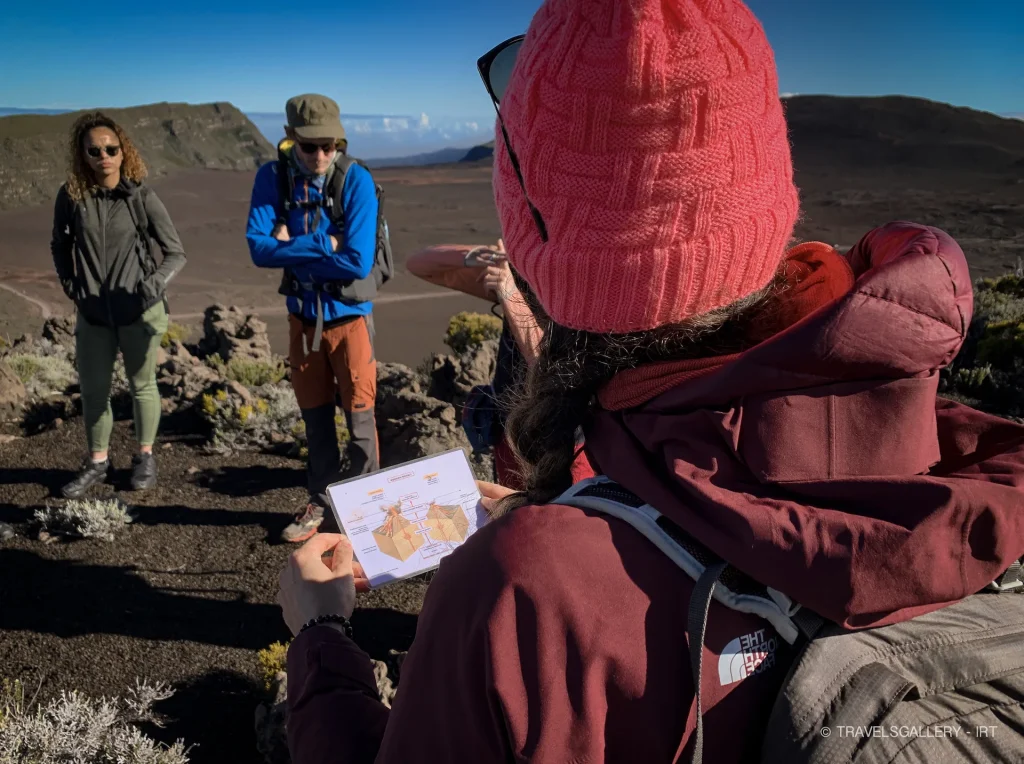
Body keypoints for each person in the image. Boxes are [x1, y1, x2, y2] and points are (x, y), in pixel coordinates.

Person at [276, 1, 1024, 762]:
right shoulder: (952, 448)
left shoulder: (520, 593)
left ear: (540, 236)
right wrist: (556, 512)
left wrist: (320, 638)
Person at [245, 94, 381, 543]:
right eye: (309, 147)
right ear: (289, 140)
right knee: (316, 419)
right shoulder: (273, 178)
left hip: (349, 321)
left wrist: (290, 246)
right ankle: (321, 503)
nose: (321, 156)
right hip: (302, 323)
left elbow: (359, 262)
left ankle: (364, 512)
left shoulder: (355, 181)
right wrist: (327, 245)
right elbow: (258, 250)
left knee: (360, 421)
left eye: (329, 146)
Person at [50, 112, 186, 498]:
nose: (104, 156)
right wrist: (70, 284)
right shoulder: (72, 196)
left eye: (111, 149)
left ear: (123, 151)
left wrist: (150, 287)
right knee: (94, 391)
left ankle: (144, 457)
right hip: (92, 312)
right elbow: (59, 244)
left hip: (138, 312)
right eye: (95, 151)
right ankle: (97, 462)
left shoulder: (141, 196)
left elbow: (175, 253)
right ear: (84, 156)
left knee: (142, 386)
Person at [406, 239, 594, 488]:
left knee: (566, 516)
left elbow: (548, 369)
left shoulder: (583, 285)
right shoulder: (521, 275)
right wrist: (478, 256)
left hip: (568, 440)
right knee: (513, 512)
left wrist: (509, 293)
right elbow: (420, 264)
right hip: (512, 431)